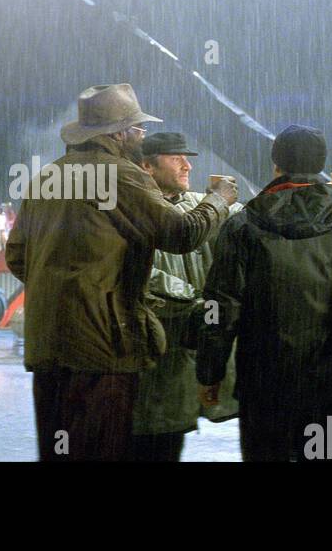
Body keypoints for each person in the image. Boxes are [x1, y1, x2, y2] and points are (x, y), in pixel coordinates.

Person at [6, 83, 237, 462]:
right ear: (119, 133)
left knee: (59, 451)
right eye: (138, 128)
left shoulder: (47, 177)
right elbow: (182, 234)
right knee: (102, 448)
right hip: (102, 347)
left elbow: (17, 255)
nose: (142, 135)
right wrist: (220, 200)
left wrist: (64, 290)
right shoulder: (120, 175)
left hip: (48, 345)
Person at [197, 125, 332, 462]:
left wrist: (210, 371)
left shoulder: (242, 225)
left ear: (276, 166)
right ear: (322, 164)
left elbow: (219, 306)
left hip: (263, 383)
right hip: (329, 380)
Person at [132, 132, 243, 462]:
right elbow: (141, 275)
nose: (186, 164)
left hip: (191, 358)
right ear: (147, 167)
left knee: (171, 439)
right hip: (157, 361)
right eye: (175, 157)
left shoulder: (200, 204)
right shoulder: (136, 211)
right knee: (154, 442)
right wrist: (198, 303)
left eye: (187, 156)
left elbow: (256, 222)